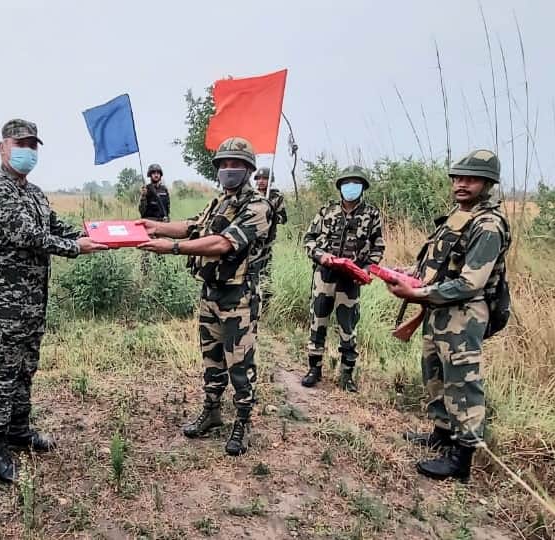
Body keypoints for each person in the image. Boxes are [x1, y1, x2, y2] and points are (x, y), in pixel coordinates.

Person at [0, 118, 108, 483]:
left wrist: (99, 234)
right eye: (20, 144)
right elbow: (28, 235)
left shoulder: (33, 192)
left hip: (32, 300)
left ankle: (19, 431)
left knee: (26, 368)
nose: (27, 151)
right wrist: (76, 247)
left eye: (33, 145)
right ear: (2, 147)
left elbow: (53, 226)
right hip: (1, 304)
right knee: (2, 375)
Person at [137, 137, 271, 456]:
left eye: (235, 164)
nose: (228, 169)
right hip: (211, 292)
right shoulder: (220, 202)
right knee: (212, 358)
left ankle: (242, 422)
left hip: (238, 296)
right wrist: (155, 226)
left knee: (239, 363)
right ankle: (211, 411)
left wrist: (172, 248)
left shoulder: (258, 207)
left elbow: (223, 243)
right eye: (224, 164)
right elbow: (193, 226)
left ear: (249, 169)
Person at [385, 149, 510, 483]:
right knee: (435, 373)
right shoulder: (459, 216)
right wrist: (408, 274)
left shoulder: (488, 225)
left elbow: (471, 282)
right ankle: (441, 434)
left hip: (463, 314)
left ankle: (461, 459)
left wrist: (416, 294)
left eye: (471, 179)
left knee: (462, 381)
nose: (461, 184)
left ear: (488, 183)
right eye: (457, 178)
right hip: (439, 308)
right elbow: (438, 264)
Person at [301, 166, 385, 392]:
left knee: (348, 327)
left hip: (350, 279)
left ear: (363, 187)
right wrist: (320, 255)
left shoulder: (372, 214)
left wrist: (366, 269)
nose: (351, 187)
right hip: (324, 275)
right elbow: (309, 239)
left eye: (356, 183)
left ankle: (347, 374)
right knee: (318, 322)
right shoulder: (327, 211)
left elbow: (378, 246)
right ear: (340, 187)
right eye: (347, 183)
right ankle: (314, 369)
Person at [254, 167, 287, 298]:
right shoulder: (251, 195)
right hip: (250, 238)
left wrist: (271, 215)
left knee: (265, 272)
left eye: (265, 178)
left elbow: (283, 218)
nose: (261, 181)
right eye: (259, 178)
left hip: (266, 240)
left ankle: (266, 301)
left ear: (270, 180)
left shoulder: (276, 197)